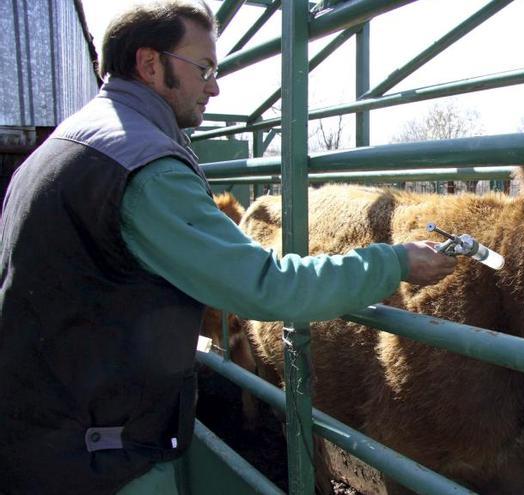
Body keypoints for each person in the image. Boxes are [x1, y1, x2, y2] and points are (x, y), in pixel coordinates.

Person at [0, 1, 457, 494]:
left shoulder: (66, 143)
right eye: (205, 69)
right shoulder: (145, 168)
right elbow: (269, 287)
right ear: (150, 64)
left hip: (45, 431)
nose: (214, 87)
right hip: (98, 459)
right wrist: (393, 261)